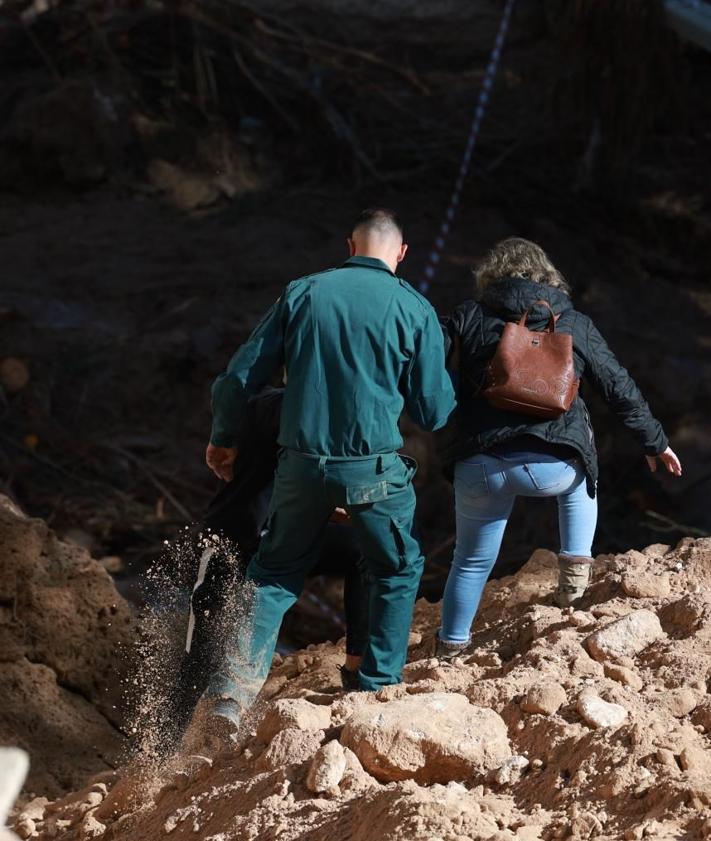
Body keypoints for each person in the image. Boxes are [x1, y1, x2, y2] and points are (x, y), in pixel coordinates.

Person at [189, 208, 456, 745]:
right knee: (396, 568)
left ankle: (229, 697)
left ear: (349, 244)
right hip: (373, 472)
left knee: (273, 573)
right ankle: (374, 689)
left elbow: (239, 378)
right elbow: (433, 412)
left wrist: (223, 439)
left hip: (302, 467)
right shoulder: (415, 309)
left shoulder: (304, 292)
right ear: (401, 254)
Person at [436, 237, 682, 658]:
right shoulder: (573, 322)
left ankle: (451, 648)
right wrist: (654, 441)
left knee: (471, 561)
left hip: (480, 463)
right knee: (583, 475)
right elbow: (617, 386)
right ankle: (572, 585)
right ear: (548, 277)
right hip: (553, 467)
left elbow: (427, 369)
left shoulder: (468, 315)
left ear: (490, 276)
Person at [169, 387, 369, 744]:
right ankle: (358, 670)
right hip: (267, 537)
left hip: (238, 537)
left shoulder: (256, 404)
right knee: (362, 551)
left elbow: (226, 457)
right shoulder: (328, 413)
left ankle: (168, 744)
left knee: (198, 653)